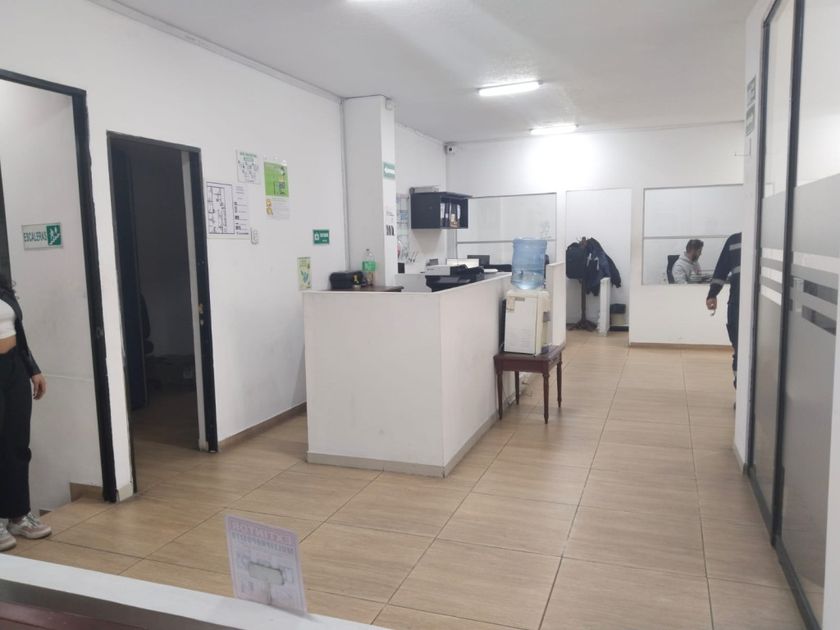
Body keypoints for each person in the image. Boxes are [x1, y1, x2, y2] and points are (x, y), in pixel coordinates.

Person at [0, 274, 50, 552]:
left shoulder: (3, 291)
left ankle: (18, 515)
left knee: (17, 443)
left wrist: (33, 369)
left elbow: (19, 335)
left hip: (14, 369)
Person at [706, 233, 742, 386]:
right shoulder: (734, 241)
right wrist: (712, 294)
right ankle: (740, 388)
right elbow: (721, 270)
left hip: (765, 307)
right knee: (739, 348)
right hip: (737, 304)